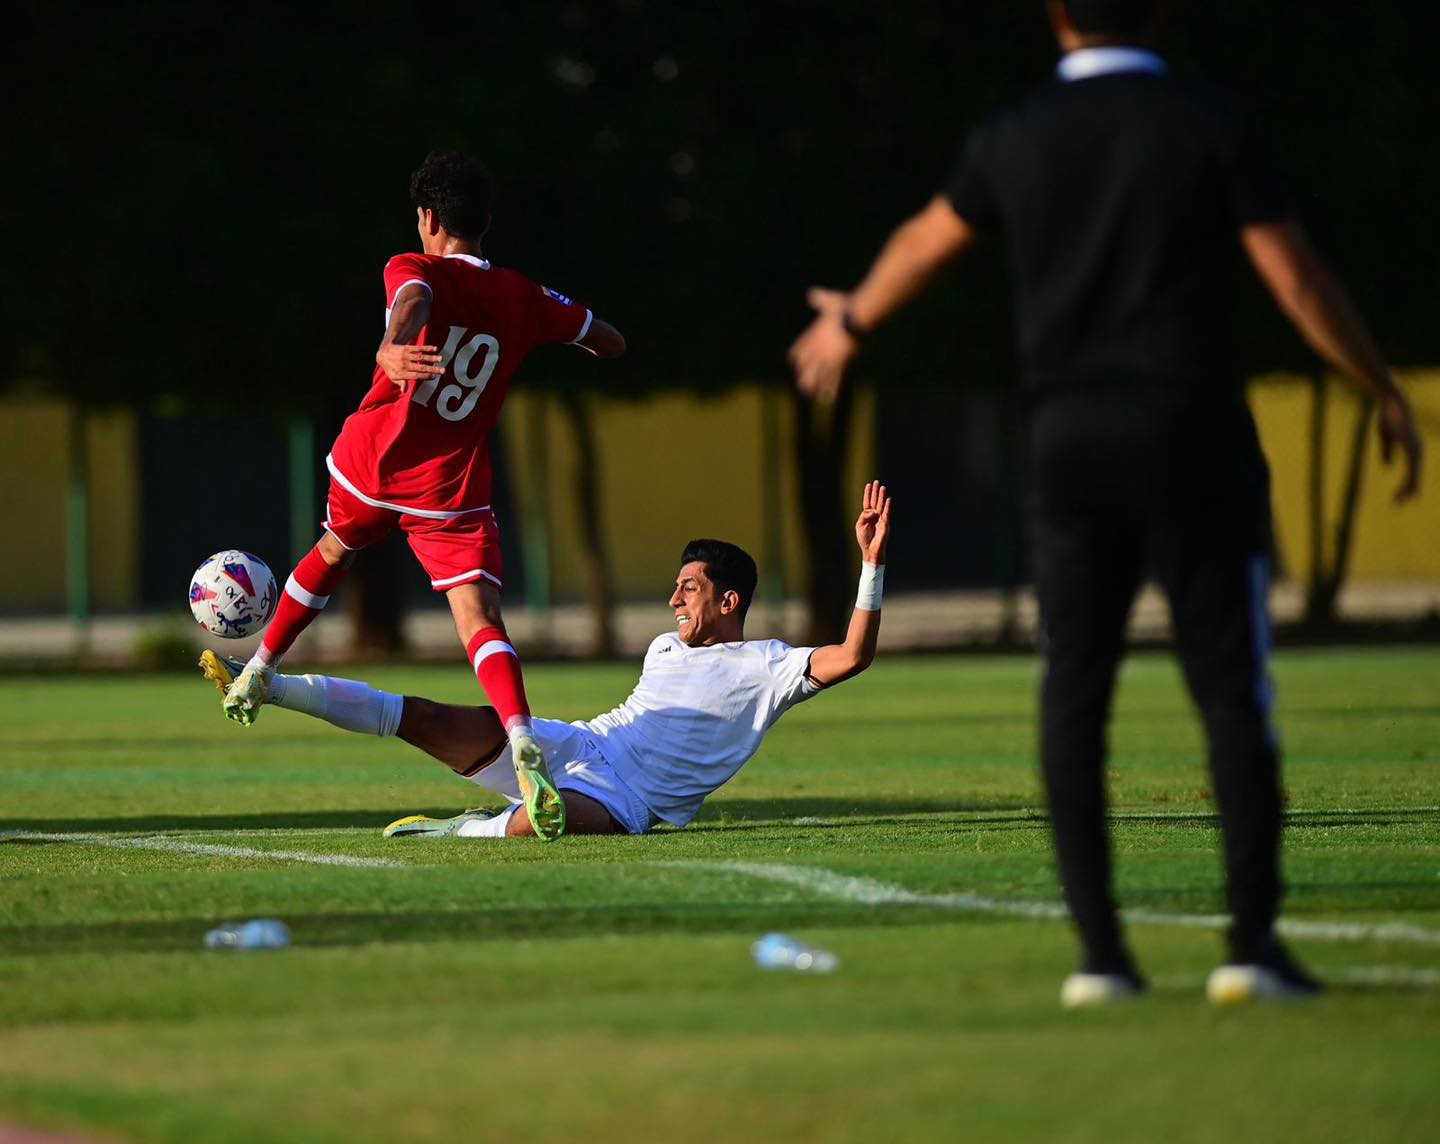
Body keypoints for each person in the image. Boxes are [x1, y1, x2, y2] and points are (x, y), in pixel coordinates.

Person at [788, 0, 1422, 1005]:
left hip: (1072, 446)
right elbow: (1295, 280)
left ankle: (1102, 961)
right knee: (1229, 689)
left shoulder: (1017, 134)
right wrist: (1378, 385)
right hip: (1198, 434)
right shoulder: (1205, 120)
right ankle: (1251, 949)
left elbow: (928, 234)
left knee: (1074, 696)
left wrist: (852, 322)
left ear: (1053, 16)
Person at [221, 150, 626, 841]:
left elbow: (414, 301)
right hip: (450, 483)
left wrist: (390, 347)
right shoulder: (525, 296)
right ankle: (520, 733)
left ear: (428, 218)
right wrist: (561, 328)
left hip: (376, 461)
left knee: (336, 547)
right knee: (477, 617)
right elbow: (610, 341)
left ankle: (261, 666)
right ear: (488, 220)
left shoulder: (413, 265)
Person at [201, 483, 893, 838]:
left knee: (546, 823)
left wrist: (871, 563)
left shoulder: (768, 665)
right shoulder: (662, 646)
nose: (675, 598)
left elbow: (854, 655)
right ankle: (270, 685)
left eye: (691, 588)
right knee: (423, 717)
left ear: (729, 599)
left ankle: (459, 831)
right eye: (677, 585)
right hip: (582, 744)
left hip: (632, 801)